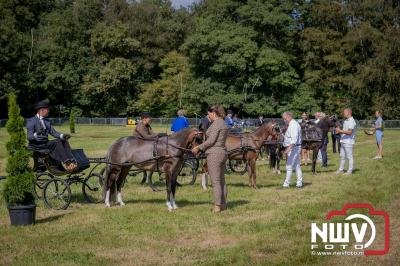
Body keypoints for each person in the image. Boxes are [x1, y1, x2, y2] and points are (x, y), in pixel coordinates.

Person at [192, 105, 229, 212]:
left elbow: (211, 140)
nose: (208, 117)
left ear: (213, 113)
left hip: (214, 154)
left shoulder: (217, 123)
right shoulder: (223, 123)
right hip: (222, 152)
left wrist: (199, 147)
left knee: (216, 182)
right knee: (222, 181)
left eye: (209, 114)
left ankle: (217, 206)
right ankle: (223, 205)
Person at [26, 101, 76, 171]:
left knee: (63, 141)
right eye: (47, 109)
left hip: (45, 144)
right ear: (41, 110)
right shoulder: (32, 121)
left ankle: (72, 161)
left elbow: (53, 133)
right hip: (36, 145)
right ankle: (67, 163)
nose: (49, 111)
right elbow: (29, 137)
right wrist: (37, 133)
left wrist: (63, 136)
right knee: (57, 142)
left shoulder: (47, 121)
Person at [281, 111, 303, 188]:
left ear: (288, 117)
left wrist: (287, 150)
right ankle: (299, 183)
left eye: (285, 119)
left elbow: (294, 140)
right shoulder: (291, 124)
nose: (284, 120)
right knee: (297, 166)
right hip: (294, 147)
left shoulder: (293, 125)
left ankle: (286, 184)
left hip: (294, 148)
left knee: (289, 166)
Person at [335, 108, 356, 175]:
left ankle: (350, 171)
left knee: (349, 157)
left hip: (348, 142)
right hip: (343, 141)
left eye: (344, 112)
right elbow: (345, 130)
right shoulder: (346, 120)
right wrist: (339, 131)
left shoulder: (352, 121)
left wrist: (340, 131)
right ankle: (341, 169)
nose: (343, 114)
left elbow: (350, 132)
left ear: (349, 112)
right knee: (342, 156)